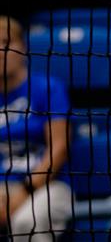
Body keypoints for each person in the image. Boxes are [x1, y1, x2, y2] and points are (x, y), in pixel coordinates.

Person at [0, 15, 73, 242]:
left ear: (22, 47)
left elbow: (59, 148)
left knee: (26, 222)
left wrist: (25, 191)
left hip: (47, 186)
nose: (1, 51)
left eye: (6, 42)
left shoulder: (47, 88)